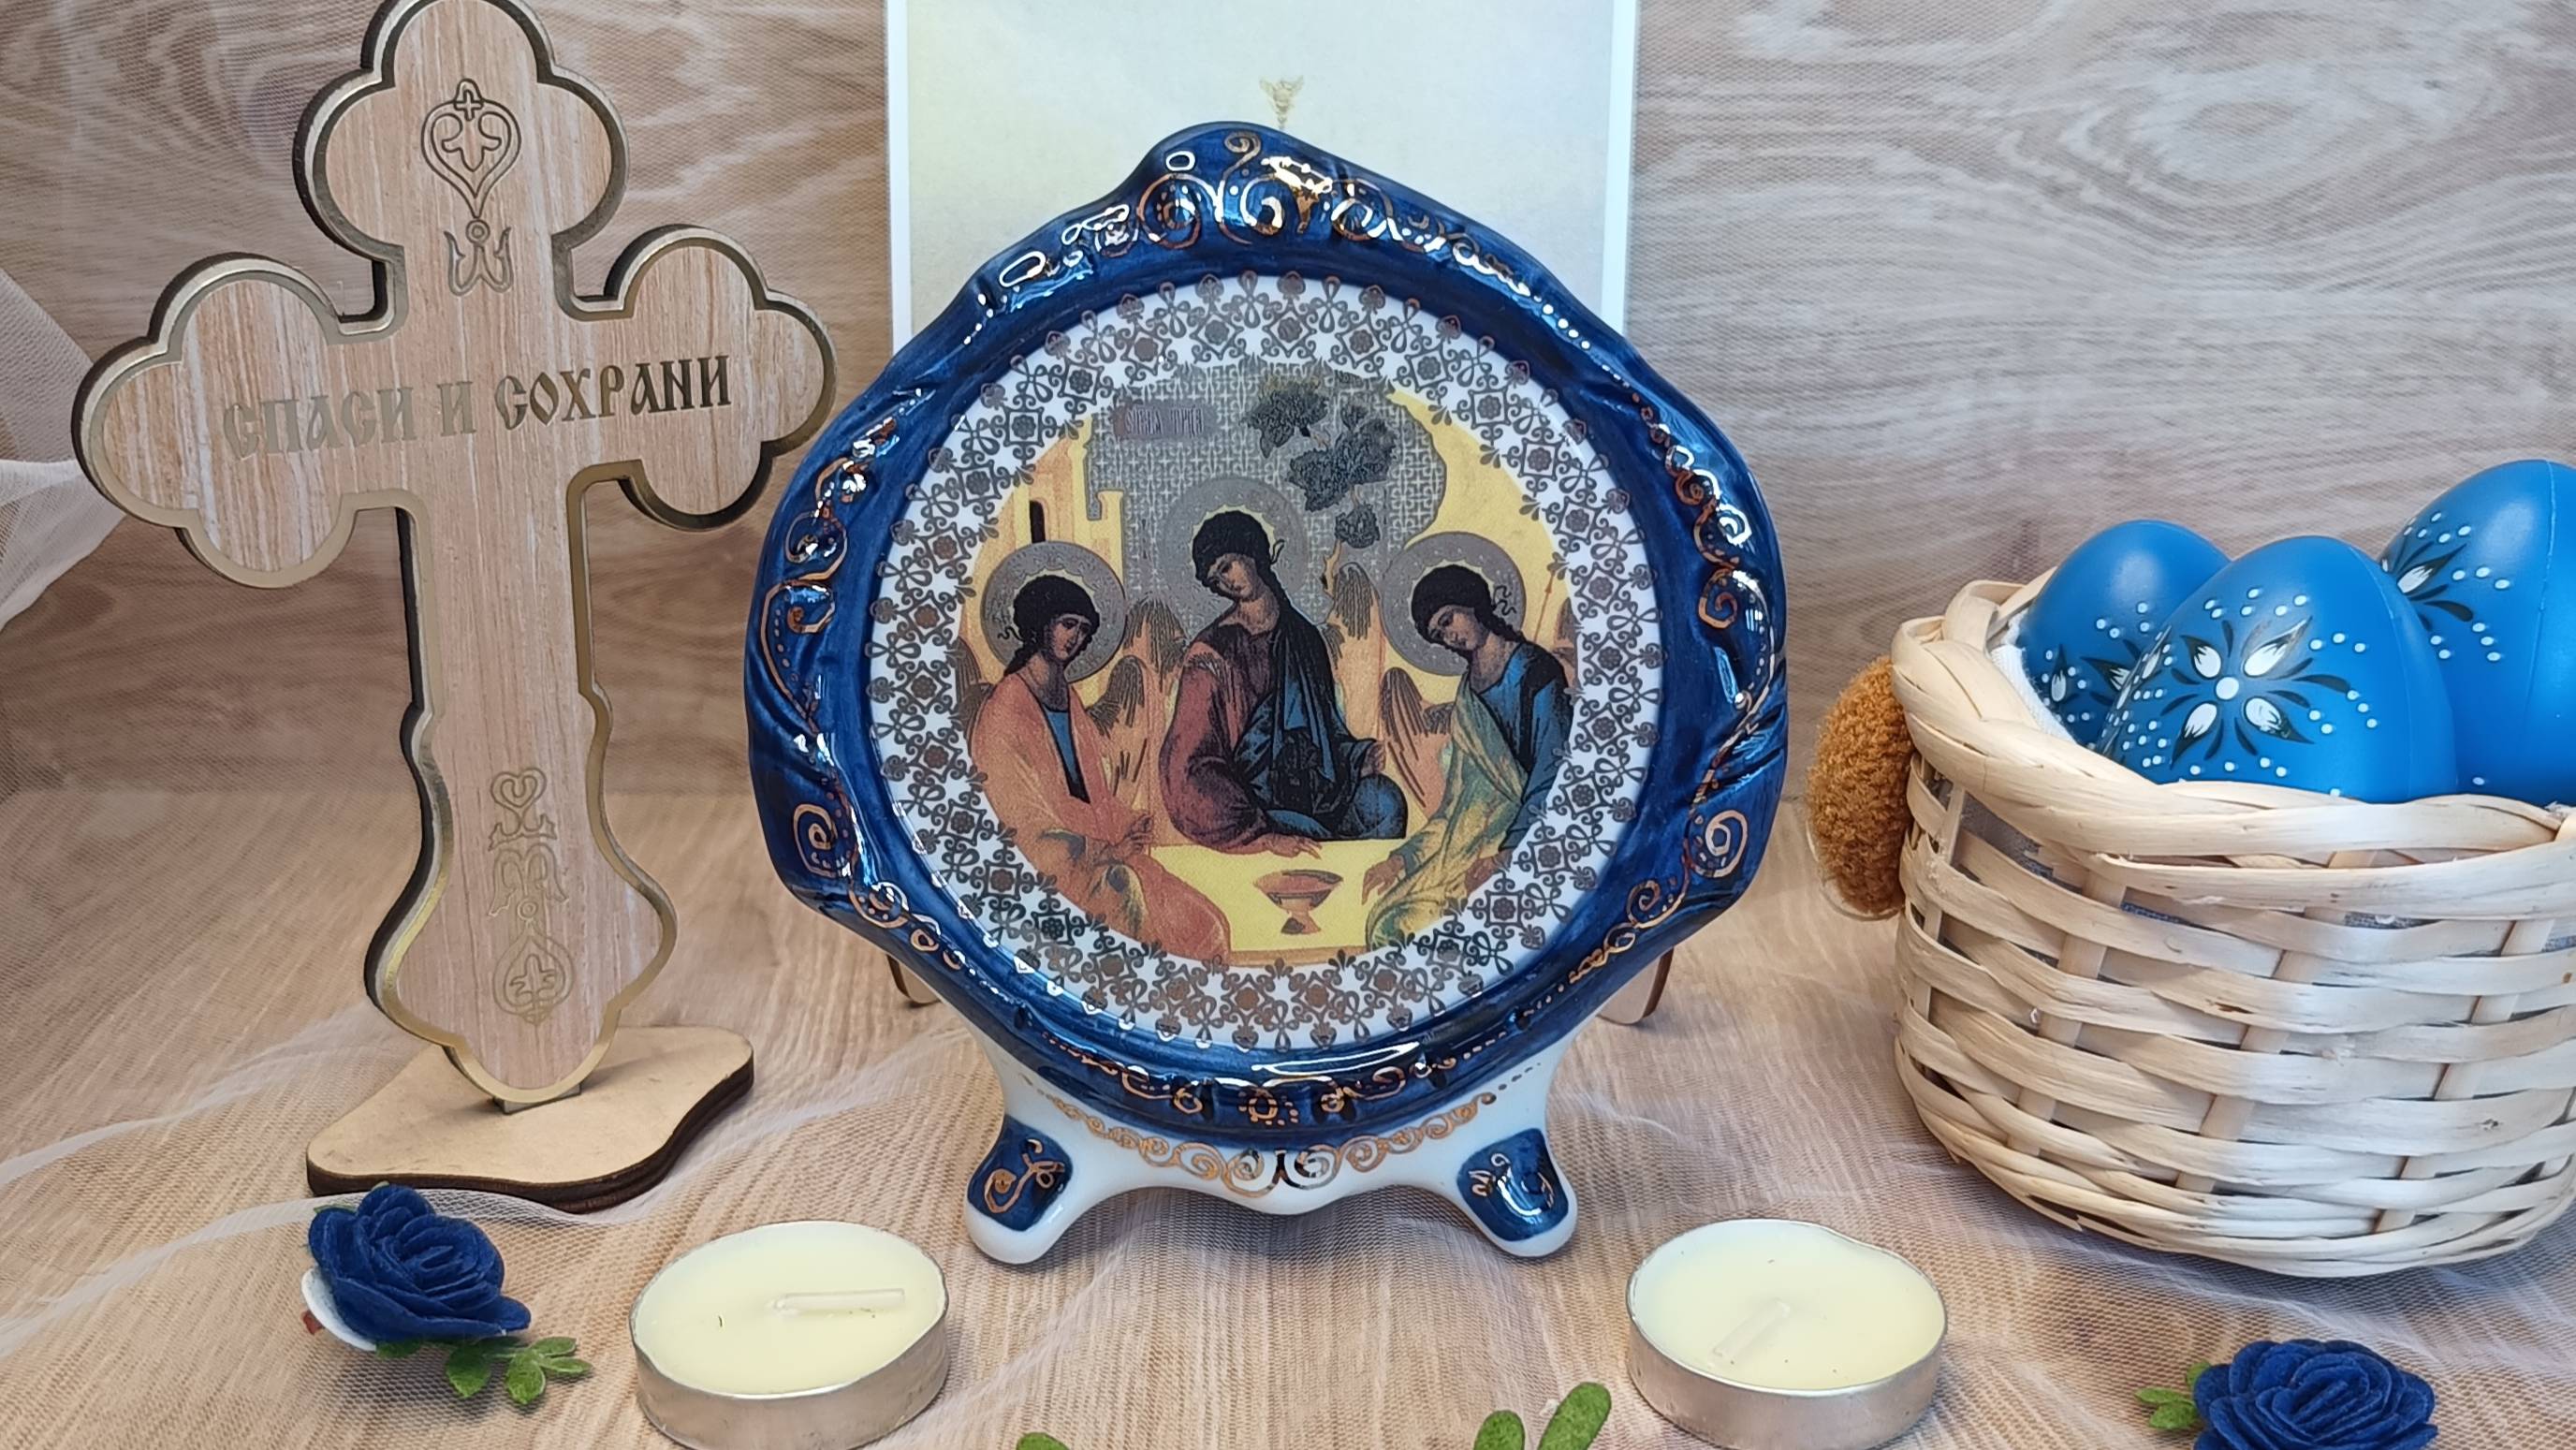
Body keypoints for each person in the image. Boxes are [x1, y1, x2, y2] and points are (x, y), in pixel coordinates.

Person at [973, 572, 1231, 962]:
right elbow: (1020, 823)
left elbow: (1093, 795)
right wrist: (1103, 851)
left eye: (1083, 629)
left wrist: (1128, 823)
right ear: (1041, 622)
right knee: (1125, 894)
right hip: (1051, 873)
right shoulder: (1006, 708)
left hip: (1103, 853)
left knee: (1204, 923)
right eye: (1068, 624)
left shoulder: (1068, 698)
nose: (1075, 638)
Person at [1159, 509, 1406, 855]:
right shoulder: (1211, 653)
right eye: (1216, 580)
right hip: (1255, 805)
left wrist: (1355, 759)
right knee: (1314, 837)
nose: (1226, 583)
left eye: (1227, 566)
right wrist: (1259, 833)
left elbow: (1324, 730)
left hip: (1314, 791)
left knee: (1385, 802)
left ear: (1251, 551)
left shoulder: (1303, 637)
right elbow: (1188, 764)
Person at [1363, 564, 1571, 946]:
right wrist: (1402, 859)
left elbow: (1553, 773)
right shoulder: (1467, 696)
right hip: (1469, 841)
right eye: (1439, 634)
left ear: (1471, 602)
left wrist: (1508, 856)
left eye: (1448, 620)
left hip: (1528, 839)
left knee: (1418, 930)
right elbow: (1455, 804)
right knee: (1386, 918)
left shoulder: (1535, 672)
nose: (1450, 637)